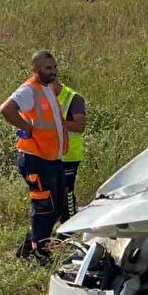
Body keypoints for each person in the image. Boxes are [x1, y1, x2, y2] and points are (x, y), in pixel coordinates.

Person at [0, 51, 68, 263]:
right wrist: (25, 126)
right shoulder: (29, 90)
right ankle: (38, 252)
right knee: (44, 207)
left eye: (55, 67)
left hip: (51, 158)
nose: (53, 71)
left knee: (57, 206)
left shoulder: (48, 88)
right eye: (48, 68)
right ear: (35, 70)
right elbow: (6, 109)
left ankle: (29, 248)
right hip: (35, 158)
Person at [55, 78, 87, 222]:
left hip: (69, 155)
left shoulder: (73, 99)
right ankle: (62, 223)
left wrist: (55, 123)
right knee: (53, 192)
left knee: (66, 191)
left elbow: (80, 127)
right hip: (50, 154)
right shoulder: (43, 98)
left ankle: (69, 227)